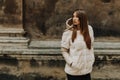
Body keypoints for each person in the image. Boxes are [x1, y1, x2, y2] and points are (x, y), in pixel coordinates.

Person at [61, 9, 95, 80]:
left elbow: (91, 46)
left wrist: (92, 59)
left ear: (82, 19)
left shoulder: (89, 29)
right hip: (74, 71)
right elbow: (64, 51)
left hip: (86, 70)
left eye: (77, 17)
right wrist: (71, 63)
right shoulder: (67, 33)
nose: (74, 19)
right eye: (73, 16)